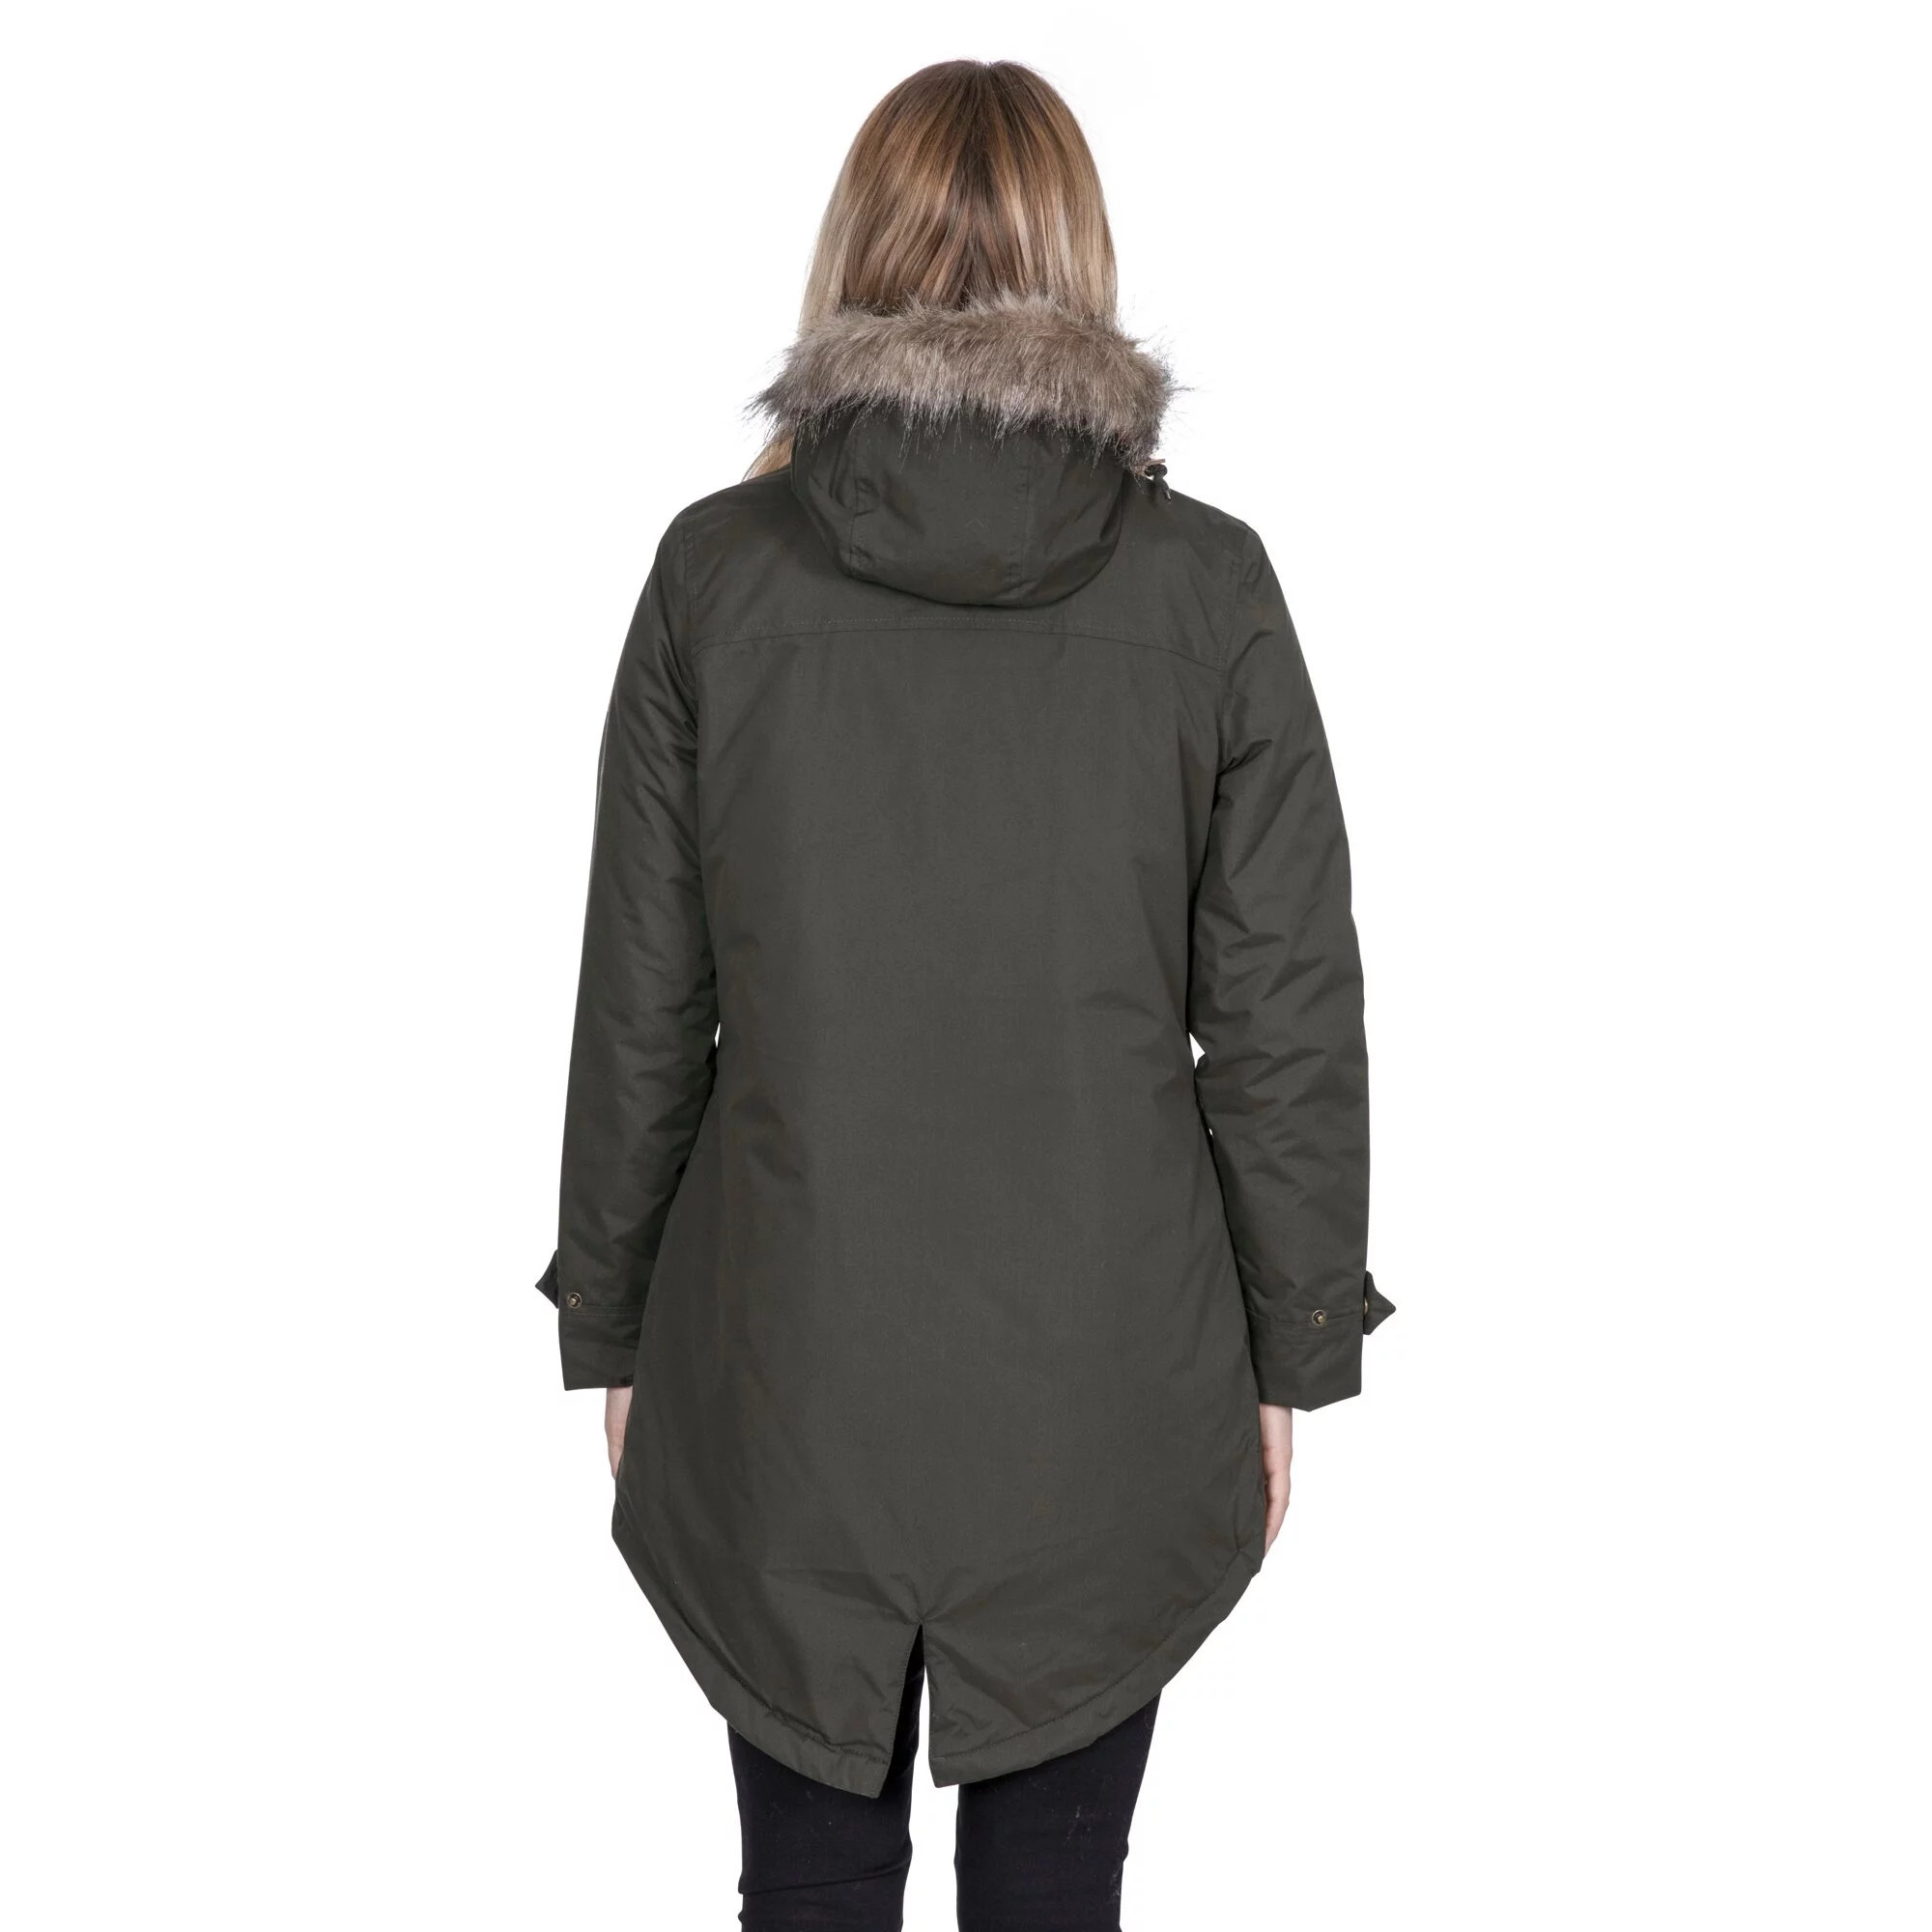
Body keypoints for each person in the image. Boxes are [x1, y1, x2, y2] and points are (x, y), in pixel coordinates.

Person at [536, 58, 1392, 1932]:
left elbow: (640, 1000)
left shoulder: (714, 578)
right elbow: (1280, 1022)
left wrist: (614, 1323)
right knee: (1057, 1891)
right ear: (1079, 259)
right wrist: (1290, 1348)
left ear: (853, 248)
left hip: (782, 1361)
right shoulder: (1208, 590)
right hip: (1112, 1374)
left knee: (810, 1886)